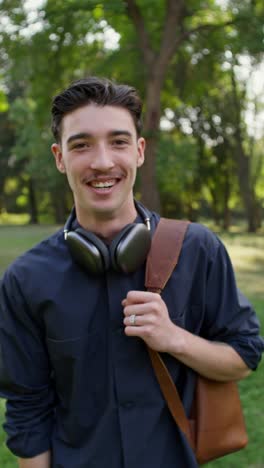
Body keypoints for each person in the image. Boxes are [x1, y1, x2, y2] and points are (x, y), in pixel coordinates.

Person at [0, 77, 263, 468]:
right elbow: (28, 410)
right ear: (60, 158)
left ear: (139, 151)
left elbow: (244, 357)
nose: (103, 161)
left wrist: (174, 339)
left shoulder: (197, 249)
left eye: (118, 142)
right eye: (82, 144)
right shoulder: (26, 279)